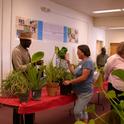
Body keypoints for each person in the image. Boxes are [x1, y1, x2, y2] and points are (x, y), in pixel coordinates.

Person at [63, 45, 94, 123]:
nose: (77, 53)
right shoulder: (82, 62)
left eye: (78, 52)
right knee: (84, 109)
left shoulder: (88, 62)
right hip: (80, 91)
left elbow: (84, 77)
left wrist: (70, 82)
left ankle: (79, 122)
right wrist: (68, 62)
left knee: (77, 111)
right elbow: (74, 72)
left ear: (83, 53)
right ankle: (84, 122)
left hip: (85, 92)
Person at [12, 32, 34, 124]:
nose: (30, 43)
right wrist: (32, 64)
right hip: (20, 82)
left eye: (30, 41)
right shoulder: (16, 51)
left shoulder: (26, 50)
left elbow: (28, 64)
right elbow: (18, 68)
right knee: (19, 107)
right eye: (28, 41)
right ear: (22, 40)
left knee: (29, 105)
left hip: (27, 82)